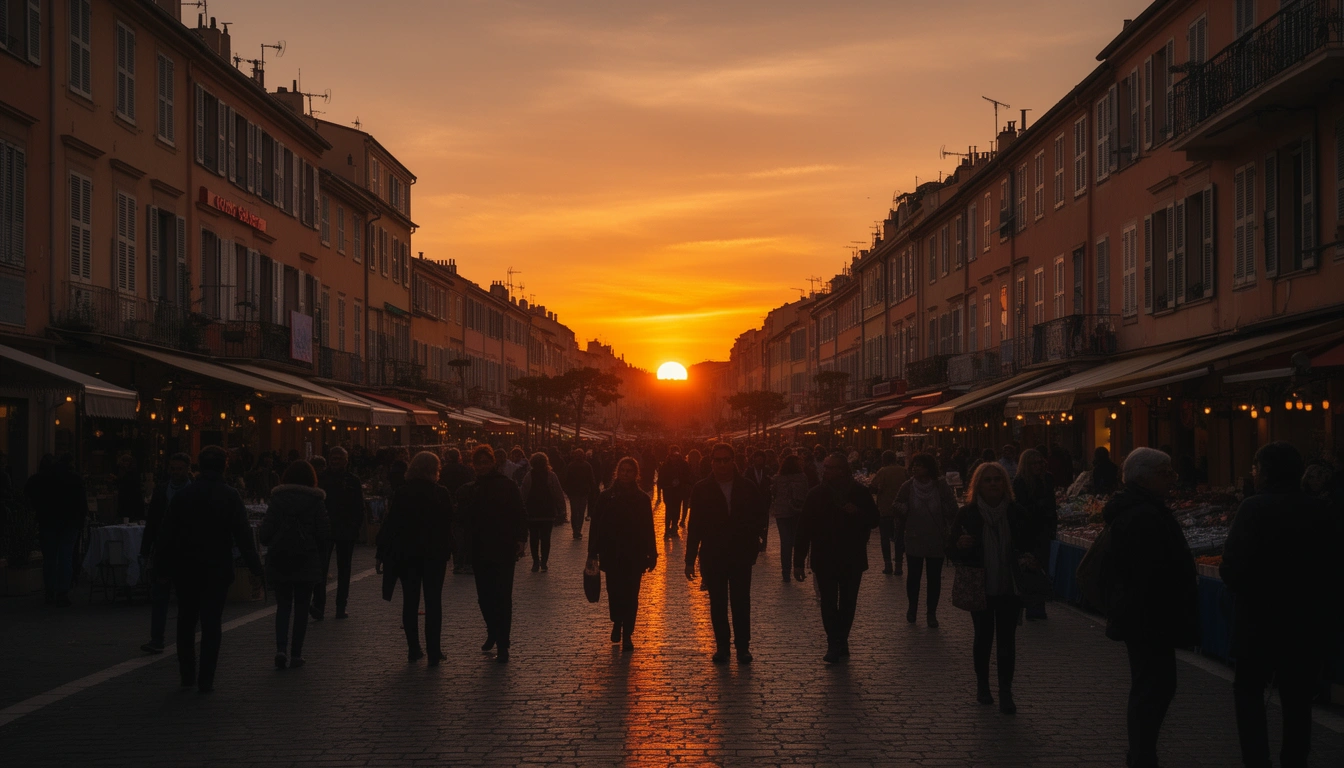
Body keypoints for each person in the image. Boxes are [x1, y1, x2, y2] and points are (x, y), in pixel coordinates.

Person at [1222, 442, 1339, 768]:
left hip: (1257, 620)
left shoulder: (1253, 508)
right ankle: (1294, 759)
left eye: (1255, 468)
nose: (1253, 474)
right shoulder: (1320, 510)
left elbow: (1232, 567)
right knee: (1298, 700)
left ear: (1265, 472)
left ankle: (1256, 759)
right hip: (1305, 622)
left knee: (1248, 692)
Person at [1102, 447, 1198, 768]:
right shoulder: (1143, 515)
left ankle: (1142, 753)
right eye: (1165, 473)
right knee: (1154, 687)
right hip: (1149, 616)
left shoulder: (1143, 510)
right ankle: (1142, 755)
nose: (1172, 479)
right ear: (1144, 478)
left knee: (1153, 686)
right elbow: (1148, 572)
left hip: (1145, 615)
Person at [155, 446, 263, 692]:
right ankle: (206, 678)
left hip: (186, 567)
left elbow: (167, 533)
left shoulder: (184, 495)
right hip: (217, 567)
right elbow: (243, 535)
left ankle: (187, 674)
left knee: (186, 621)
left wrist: (161, 567)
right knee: (212, 623)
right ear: (224, 466)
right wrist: (256, 568)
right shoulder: (230, 495)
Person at [950, 462, 1039, 714]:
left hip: (1010, 586)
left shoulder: (1016, 512)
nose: (993, 484)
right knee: (983, 637)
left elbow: (1031, 542)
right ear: (978, 485)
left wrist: (1029, 557)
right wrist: (960, 545)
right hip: (980, 585)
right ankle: (983, 686)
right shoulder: (968, 514)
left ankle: (1006, 692)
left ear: (1005, 484)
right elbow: (950, 548)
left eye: (997, 479)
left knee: (1007, 641)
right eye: (987, 480)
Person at [686, 442, 768, 663]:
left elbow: (761, 515)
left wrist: (752, 539)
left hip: (741, 554)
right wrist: (690, 559)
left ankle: (743, 647)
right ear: (711, 462)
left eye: (726, 460)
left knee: (741, 602)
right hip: (713, 554)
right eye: (718, 460)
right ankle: (722, 646)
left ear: (733, 461)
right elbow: (695, 526)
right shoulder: (702, 488)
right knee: (718, 602)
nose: (722, 464)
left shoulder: (747, 487)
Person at [794, 453, 879, 663]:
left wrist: (857, 512)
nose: (826, 471)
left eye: (831, 468)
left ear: (842, 470)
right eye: (825, 467)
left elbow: (875, 519)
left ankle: (842, 639)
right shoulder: (816, 494)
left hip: (852, 556)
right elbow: (804, 528)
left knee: (849, 602)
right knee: (828, 602)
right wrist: (798, 561)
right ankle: (834, 642)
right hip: (825, 557)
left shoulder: (859, 493)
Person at [377, 451, 455, 665]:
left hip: (407, 554)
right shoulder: (440, 492)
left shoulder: (402, 492)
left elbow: (391, 523)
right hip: (434, 555)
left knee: (410, 602)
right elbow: (449, 522)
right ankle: (434, 651)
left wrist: (381, 552)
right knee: (433, 602)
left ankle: (414, 649)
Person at [457, 445, 528, 663]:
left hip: (503, 547)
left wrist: (521, 539)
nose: (482, 467)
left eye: (485, 462)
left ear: (493, 462)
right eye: (478, 463)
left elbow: (519, 512)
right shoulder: (470, 489)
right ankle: (492, 631)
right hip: (479, 549)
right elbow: (462, 520)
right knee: (485, 597)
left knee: (503, 597)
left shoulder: (507, 485)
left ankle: (503, 643)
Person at [259, 460, 331, 670]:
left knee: (283, 606)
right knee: (301, 607)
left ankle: (281, 649)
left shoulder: (277, 499)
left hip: (280, 558)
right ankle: (296, 654)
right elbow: (324, 534)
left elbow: (265, 534)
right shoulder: (316, 501)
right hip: (306, 559)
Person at [587, 457, 658, 651]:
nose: (625, 474)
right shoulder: (606, 497)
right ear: (617, 472)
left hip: (634, 554)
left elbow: (648, 527)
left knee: (632, 594)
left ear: (635, 474)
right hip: (611, 553)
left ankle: (627, 633)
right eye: (622, 470)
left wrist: (652, 552)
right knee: (614, 592)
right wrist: (592, 552)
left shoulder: (642, 499)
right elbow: (596, 526)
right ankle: (617, 621)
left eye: (629, 471)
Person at [895, 453, 958, 627]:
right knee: (913, 577)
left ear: (929, 468)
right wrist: (905, 508)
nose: (915, 468)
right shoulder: (908, 486)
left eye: (920, 465)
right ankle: (912, 608)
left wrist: (944, 510)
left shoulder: (940, 486)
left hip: (936, 537)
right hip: (914, 537)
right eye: (914, 465)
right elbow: (897, 504)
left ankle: (931, 613)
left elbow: (953, 508)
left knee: (934, 578)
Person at [140, 453, 193, 653]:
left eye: (180, 469)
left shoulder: (194, 491)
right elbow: (152, 522)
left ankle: (186, 640)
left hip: (186, 553)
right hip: (163, 551)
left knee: (186, 600)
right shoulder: (162, 490)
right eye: (173, 468)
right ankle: (156, 639)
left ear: (187, 469)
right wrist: (146, 550)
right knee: (159, 597)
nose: (176, 472)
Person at [28, 454, 87, 607]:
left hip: (48, 522)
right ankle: (62, 592)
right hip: (69, 523)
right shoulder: (74, 479)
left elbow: (30, 496)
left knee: (50, 558)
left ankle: (50, 591)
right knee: (65, 556)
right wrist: (79, 521)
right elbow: (82, 503)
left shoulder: (42, 479)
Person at [313, 447, 363, 621]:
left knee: (344, 569)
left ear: (346, 461)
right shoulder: (321, 479)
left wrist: (356, 527)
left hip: (346, 529)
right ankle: (319, 606)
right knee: (321, 569)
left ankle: (341, 606)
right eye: (333, 458)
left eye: (339, 459)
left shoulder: (352, 480)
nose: (335, 462)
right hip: (325, 529)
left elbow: (359, 506)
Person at [1013, 448, 1057, 620]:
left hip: (1043, 530)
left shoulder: (1047, 479)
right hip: (1027, 532)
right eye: (1035, 463)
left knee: (1041, 566)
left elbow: (1051, 504)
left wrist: (1052, 525)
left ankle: (1039, 604)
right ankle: (1031, 605)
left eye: (1040, 462)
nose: (1039, 466)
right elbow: (1020, 508)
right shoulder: (1020, 482)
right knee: (1029, 567)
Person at [520, 453, 565, 573]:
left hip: (532, 512)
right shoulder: (551, 475)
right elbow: (558, 493)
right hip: (547, 513)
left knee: (533, 538)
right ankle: (544, 562)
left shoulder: (529, 476)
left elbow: (523, 493)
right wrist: (562, 508)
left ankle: (535, 562)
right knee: (546, 538)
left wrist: (521, 509)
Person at [769, 454, 810, 583]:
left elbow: (773, 493)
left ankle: (785, 572)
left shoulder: (778, 478)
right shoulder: (802, 477)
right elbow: (806, 492)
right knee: (797, 541)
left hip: (782, 513)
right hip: (797, 512)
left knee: (785, 543)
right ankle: (798, 567)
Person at [869, 450, 908, 576]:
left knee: (885, 538)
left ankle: (888, 565)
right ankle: (899, 565)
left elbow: (873, 486)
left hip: (885, 509)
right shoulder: (903, 470)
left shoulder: (883, 471)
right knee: (899, 538)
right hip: (900, 510)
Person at [439, 447, 476, 574]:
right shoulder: (467, 470)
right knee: (468, 534)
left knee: (456, 535)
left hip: (450, 503)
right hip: (466, 504)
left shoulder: (443, 470)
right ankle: (468, 562)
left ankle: (457, 562)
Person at [562, 449, 598, 540]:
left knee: (574, 512)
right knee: (581, 512)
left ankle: (575, 530)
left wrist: (567, 491)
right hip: (583, 492)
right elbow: (591, 479)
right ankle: (578, 530)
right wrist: (592, 490)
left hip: (574, 493)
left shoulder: (571, 466)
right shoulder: (587, 465)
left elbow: (566, 479)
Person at [656, 446, 691, 539]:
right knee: (669, 509)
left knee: (676, 509)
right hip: (668, 491)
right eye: (672, 455)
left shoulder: (683, 464)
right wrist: (666, 485)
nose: (674, 457)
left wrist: (681, 482)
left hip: (678, 491)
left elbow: (687, 477)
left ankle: (674, 526)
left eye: (676, 455)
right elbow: (661, 479)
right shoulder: (665, 465)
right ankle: (667, 528)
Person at [114, 453, 145, 524]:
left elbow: (130, 483)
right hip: (125, 498)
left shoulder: (132, 472)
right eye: (124, 461)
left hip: (132, 498)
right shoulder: (122, 471)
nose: (125, 463)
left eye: (127, 461)